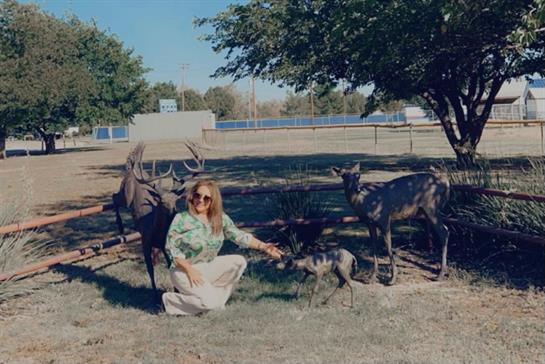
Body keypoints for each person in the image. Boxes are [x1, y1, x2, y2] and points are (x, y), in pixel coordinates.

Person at [162, 179, 283, 315]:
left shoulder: (220, 218)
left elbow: (239, 236)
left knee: (238, 262)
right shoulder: (181, 219)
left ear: (213, 201)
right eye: (197, 195)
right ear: (192, 196)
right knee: (210, 304)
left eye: (206, 198)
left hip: (207, 266)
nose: (200, 200)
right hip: (183, 271)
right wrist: (190, 270)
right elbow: (172, 249)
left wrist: (264, 246)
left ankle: (215, 300)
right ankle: (169, 301)